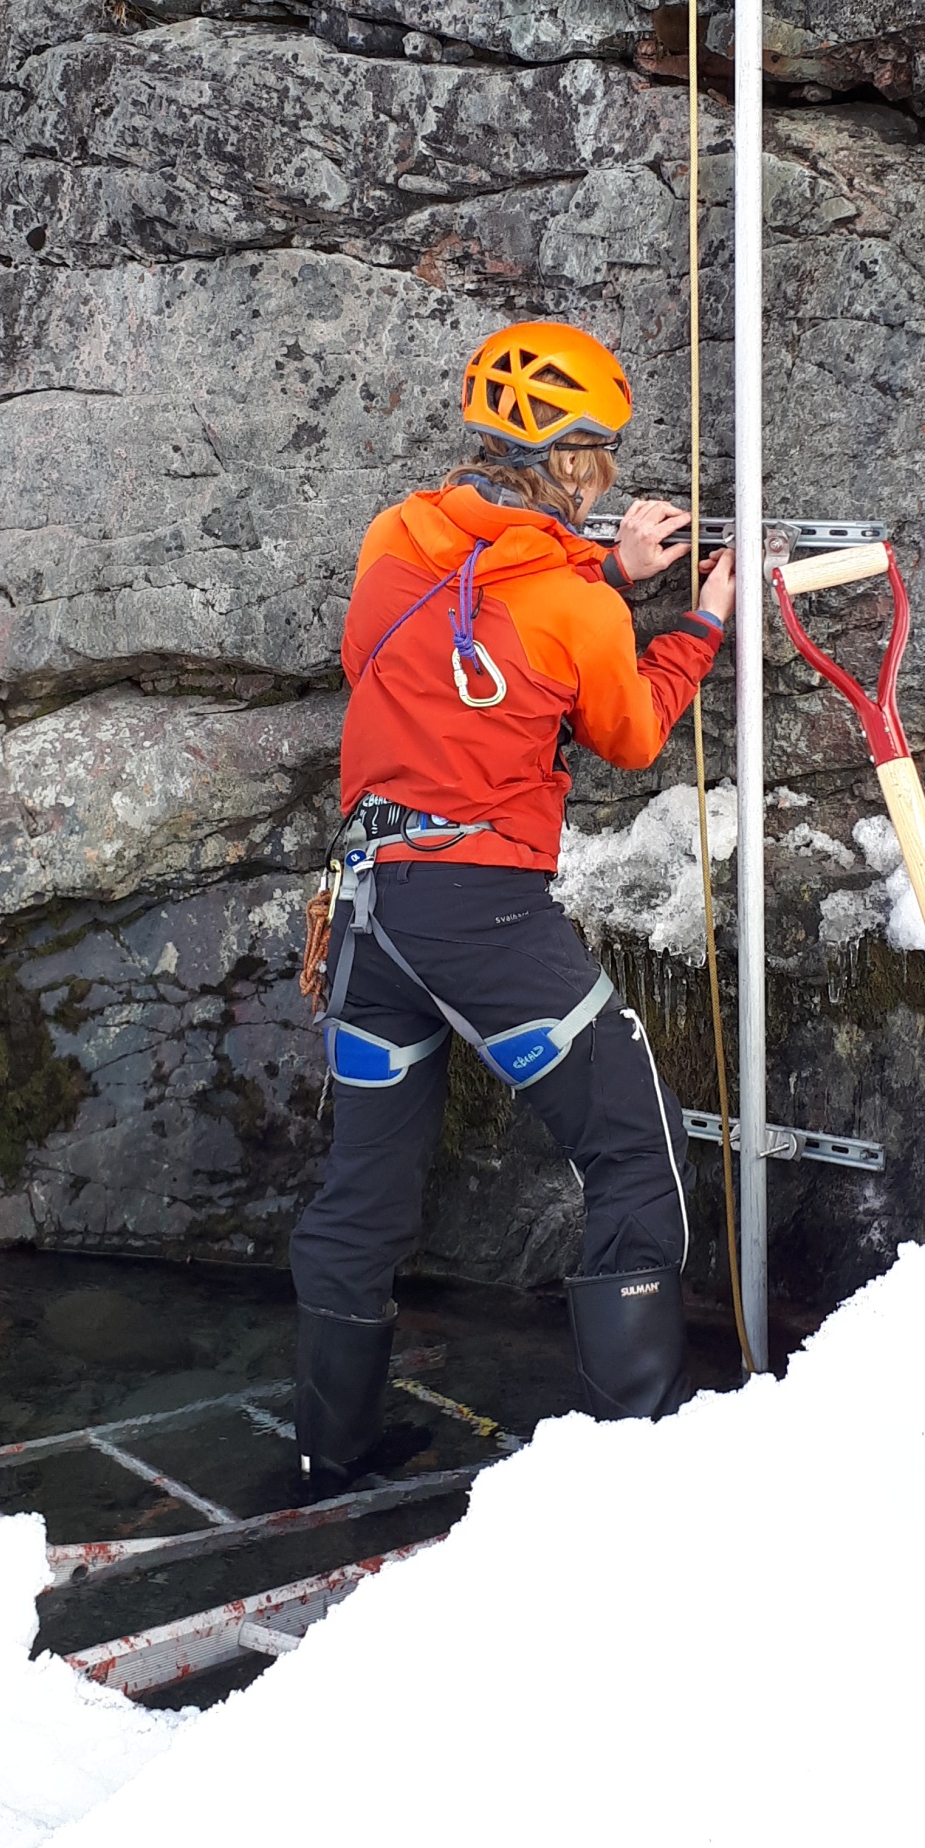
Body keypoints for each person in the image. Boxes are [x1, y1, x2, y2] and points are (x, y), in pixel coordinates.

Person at [289, 319, 737, 1485]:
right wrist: (693, 626)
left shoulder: (395, 538)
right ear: (579, 462)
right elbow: (629, 730)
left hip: (371, 908)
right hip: (480, 914)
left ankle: (328, 1456)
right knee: (635, 1148)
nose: (618, 482)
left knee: (367, 1191)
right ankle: (620, 1471)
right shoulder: (578, 608)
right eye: (608, 461)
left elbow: (387, 649)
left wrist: (597, 567)